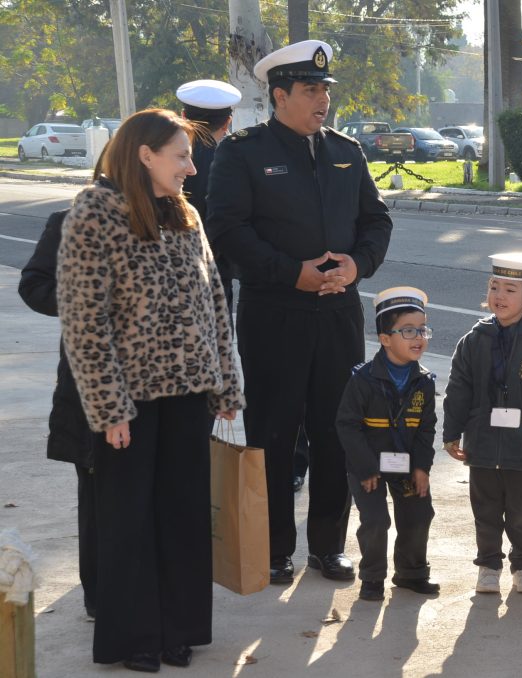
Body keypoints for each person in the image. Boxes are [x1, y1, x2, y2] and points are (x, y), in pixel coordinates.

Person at [56, 108, 243, 672]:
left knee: (183, 516)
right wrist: (109, 408)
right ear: (145, 154)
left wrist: (226, 385)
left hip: (188, 395)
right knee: (128, 522)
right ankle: (134, 638)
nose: (191, 167)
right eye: (181, 155)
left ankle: (178, 630)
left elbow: (214, 303)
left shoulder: (185, 213)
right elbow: (85, 323)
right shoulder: (94, 212)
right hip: (128, 403)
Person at [204, 40, 394, 585]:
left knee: (337, 430)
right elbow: (227, 229)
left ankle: (328, 546)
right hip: (275, 314)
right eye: (311, 90)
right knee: (273, 430)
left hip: (337, 313)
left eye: (325, 90)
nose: (323, 100)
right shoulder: (242, 152)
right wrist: (292, 272)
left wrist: (357, 265)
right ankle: (272, 547)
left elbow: (376, 221)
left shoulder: (346, 151)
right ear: (280, 95)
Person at [442, 252, 522, 595]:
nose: (499, 295)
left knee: (521, 512)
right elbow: (458, 390)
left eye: (510, 290)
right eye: (494, 287)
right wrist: (451, 433)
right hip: (481, 445)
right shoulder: (473, 340)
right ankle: (488, 566)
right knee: (485, 511)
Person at [18, 207, 97, 620]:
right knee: (98, 492)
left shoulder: (178, 222)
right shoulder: (70, 221)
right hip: (91, 386)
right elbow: (35, 284)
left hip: (163, 392)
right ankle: (100, 593)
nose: (190, 174)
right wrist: (88, 302)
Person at [336, 287, 439, 602]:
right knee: (376, 520)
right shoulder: (363, 380)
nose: (418, 337)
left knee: (419, 514)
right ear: (384, 339)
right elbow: (347, 425)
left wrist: (421, 467)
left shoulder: (424, 381)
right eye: (408, 330)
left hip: (406, 464)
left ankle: (411, 573)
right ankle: (372, 578)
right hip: (368, 465)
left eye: (422, 329)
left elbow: (426, 429)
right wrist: (366, 467)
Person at [176, 79, 242, 311]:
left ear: (183, 117)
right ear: (227, 122)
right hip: (216, 269)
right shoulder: (234, 161)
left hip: (173, 270)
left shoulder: (166, 158)